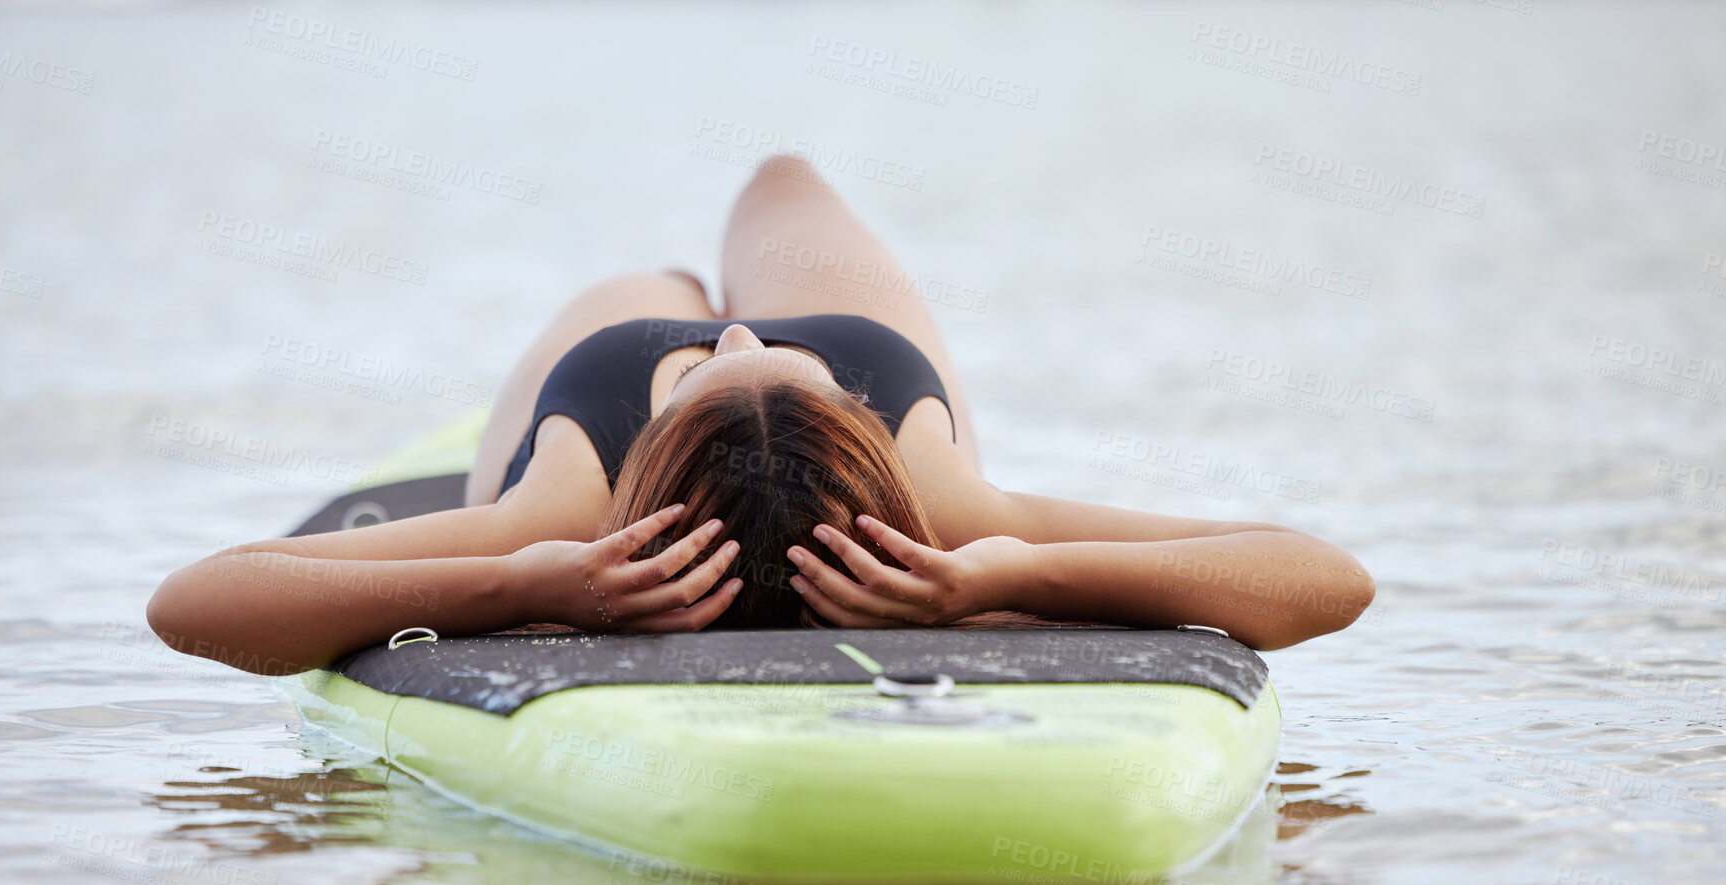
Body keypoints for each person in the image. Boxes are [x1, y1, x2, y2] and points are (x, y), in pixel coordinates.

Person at [147, 155, 1373, 675]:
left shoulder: (570, 509)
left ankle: (693, 316)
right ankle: (717, 325)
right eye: (732, 352)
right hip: (664, 379)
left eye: (734, 352)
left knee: (736, 218)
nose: (736, 333)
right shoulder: (945, 507)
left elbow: (198, 599)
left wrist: (517, 576)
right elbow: (1318, 573)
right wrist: (1019, 562)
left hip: (666, 381)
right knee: (725, 234)